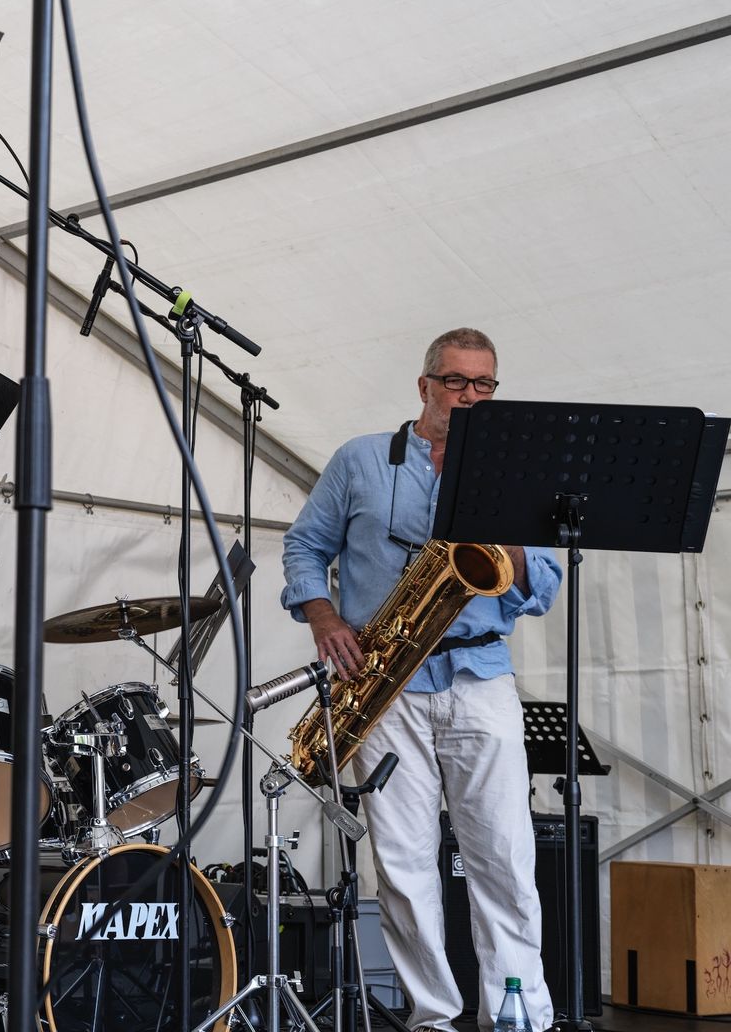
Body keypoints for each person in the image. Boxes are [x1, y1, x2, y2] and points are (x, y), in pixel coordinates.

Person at [281, 327, 562, 1032]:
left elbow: (544, 584)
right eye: (456, 381)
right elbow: (305, 545)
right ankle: (433, 1016)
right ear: (425, 385)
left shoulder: (514, 470)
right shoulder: (360, 459)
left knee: (503, 857)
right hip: (387, 683)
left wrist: (507, 532)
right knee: (404, 866)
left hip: (481, 676)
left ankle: (518, 1014)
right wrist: (323, 616)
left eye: (483, 384)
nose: (470, 396)